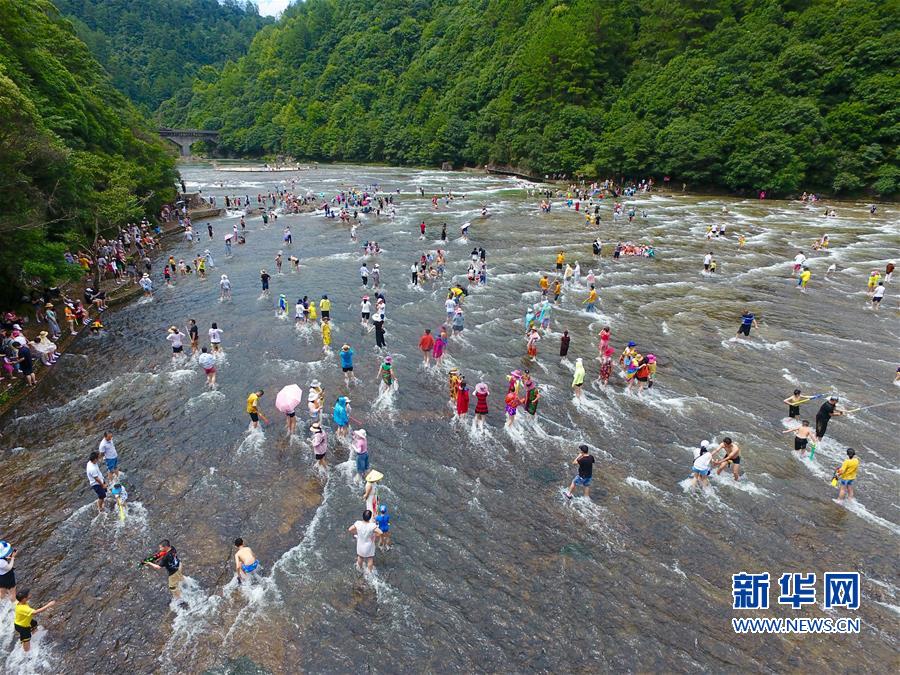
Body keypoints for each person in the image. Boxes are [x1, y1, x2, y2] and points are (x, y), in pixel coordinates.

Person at [13, 588, 56, 652]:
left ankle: (35, 637)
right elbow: (35, 612)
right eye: (28, 594)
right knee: (26, 640)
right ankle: (26, 653)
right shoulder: (23, 608)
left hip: (24, 621)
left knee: (34, 624)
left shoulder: (20, 603)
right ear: (24, 598)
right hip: (22, 627)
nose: (30, 595)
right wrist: (48, 605)